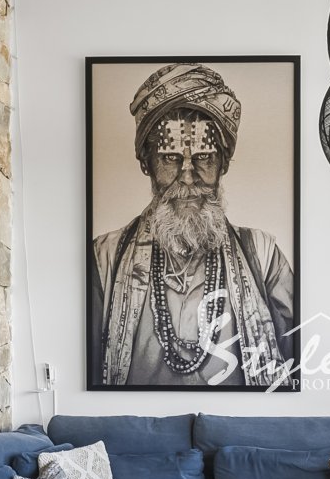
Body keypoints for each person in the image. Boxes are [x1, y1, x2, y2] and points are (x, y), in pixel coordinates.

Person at [91, 63, 296, 387]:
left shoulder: (264, 256)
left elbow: (298, 366)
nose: (187, 176)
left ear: (223, 163)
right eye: (170, 158)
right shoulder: (105, 258)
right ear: (147, 163)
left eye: (203, 158)